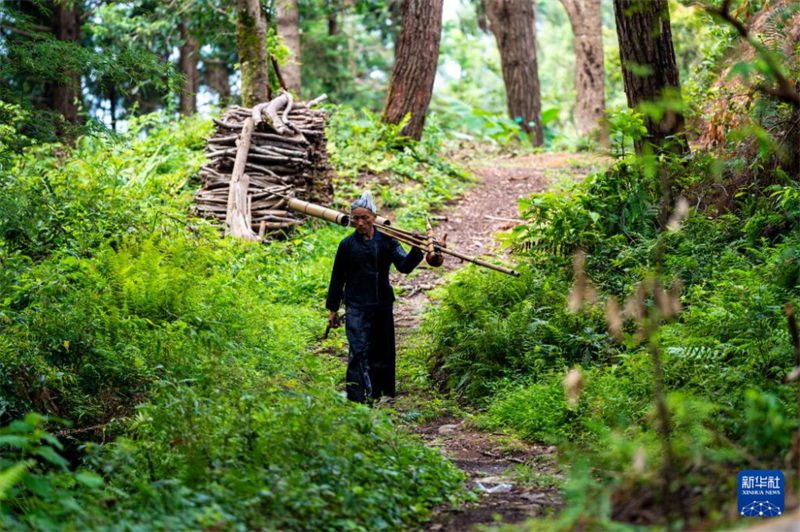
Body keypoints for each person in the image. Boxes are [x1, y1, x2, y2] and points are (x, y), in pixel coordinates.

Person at [325, 191, 423, 403]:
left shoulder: (387, 241)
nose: (360, 223)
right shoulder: (347, 244)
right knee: (358, 351)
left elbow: (404, 266)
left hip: (381, 305)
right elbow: (337, 278)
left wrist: (416, 249)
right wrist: (333, 309)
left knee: (382, 351)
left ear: (373, 217)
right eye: (355, 218)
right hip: (356, 306)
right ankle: (357, 398)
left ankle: (382, 396)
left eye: (364, 218)